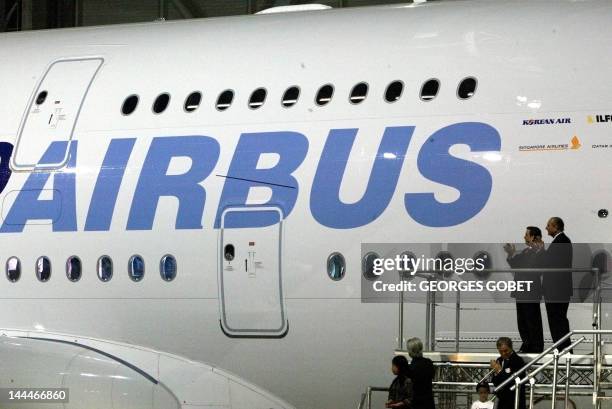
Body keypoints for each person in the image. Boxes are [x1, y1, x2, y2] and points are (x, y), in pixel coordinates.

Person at [503, 227, 544, 353]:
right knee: (522, 320)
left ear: (533, 237)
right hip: (521, 289)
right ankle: (526, 343)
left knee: (532, 319)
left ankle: (536, 346)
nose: (524, 237)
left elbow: (532, 266)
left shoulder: (539, 252)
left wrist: (538, 250)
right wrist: (511, 253)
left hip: (530, 290)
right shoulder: (527, 251)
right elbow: (515, 264)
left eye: (526, 235)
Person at [543, 217, 573, 352]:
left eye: (548, 225)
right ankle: (560, 347)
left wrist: (541, 251)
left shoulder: (562, 241)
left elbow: (552, 262)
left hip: (557, 289)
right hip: (555, 289)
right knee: (555, 319)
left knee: (558, 319)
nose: (546, 228)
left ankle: (564, 348)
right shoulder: (560, 241)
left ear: (555, 227)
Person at [491, 337, 526, 409]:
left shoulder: (517, 361)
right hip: (502, 402)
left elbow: (512, 381)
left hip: (514, 401)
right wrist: (496, 373)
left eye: (506, 350)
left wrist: (499, 371)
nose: (504, 353)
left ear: (511, 348)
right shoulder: (499, 360)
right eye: (501, 351)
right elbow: (495, 381)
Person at [405, 337, 436, 409]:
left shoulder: (411, 368)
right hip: (428, 402)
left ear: (410, 351)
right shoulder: (428, 363)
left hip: (416, 403)